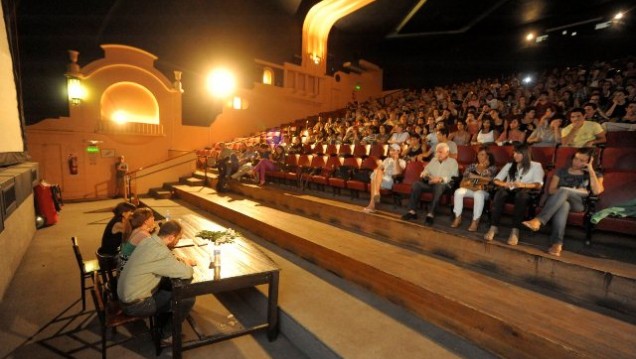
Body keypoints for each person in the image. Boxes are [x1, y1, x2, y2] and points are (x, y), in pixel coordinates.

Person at [117, 220, 196, 339]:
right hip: (136, 306)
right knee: (187, 298)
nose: (178, 241)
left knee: (168, 285)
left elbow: (163, 261)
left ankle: (162, 321)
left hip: (124, 297)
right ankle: (167, 335)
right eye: (178, 238)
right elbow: (187, 273)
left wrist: (177, 261)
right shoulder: (160, 252)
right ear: (170, 237)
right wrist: (187, 263)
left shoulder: (148, 241)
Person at [522, 148, 603, 256]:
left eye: (582, 160)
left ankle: (539, 220)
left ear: (589, 162)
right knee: (564, 204)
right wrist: (568, 192)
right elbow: (551, 190)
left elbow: (597, 191)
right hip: (559, 201)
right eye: (576, 158)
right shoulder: (561, 171)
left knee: (564, 190)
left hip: (578, 204)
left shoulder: (596, 174)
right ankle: (557, 244)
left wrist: (591, 171)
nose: (576, 162)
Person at [484, 144, 544, 245]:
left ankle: (515, 231)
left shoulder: (536, 166)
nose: (515, 155)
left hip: (525, 192)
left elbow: (538, 184)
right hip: (510, 190)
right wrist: (505, 184)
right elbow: (496, 180)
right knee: (500, 193)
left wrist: (523, 185)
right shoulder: (510, 165)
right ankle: (493, 227)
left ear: (526, 154)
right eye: (514, 152)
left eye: (518, 153)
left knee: (521, 196)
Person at [401, 142, 459, 224]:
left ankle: (431, 214)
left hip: (444, 185)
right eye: (437, 152)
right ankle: (412, 211)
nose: (438, 154)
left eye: (441, 152)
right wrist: (427, 176)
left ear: (447, 153)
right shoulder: (433, 160)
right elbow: (425, 172)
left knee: (439, 186)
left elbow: (454, 177)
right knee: (416, 184)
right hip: (430, 183)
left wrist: (440, 179)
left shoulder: (453, 162)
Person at [451, 147, 497, 231]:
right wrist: (480, 177)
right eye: (479, 154)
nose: (479, 156)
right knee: (458, 192)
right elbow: (466, 175)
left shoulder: (492, 167)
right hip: (470, 188)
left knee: (478, 194)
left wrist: (475, 175)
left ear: (488, 156)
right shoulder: (472, 165)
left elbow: (490, 179)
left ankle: (475, 221)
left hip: (483, 190)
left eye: (482, 154)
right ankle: (458, 217)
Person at [363, 144, 406, 213]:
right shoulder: (387, 160)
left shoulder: (402, 161)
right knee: (377, 172)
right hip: (381, 179)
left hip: (389, 180)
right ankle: (373, 202)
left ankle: (373, 202)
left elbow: (398, 172)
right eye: (391, 150)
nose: (391, 152)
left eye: (393, 150)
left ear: (398, 151)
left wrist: (396, 160)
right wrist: (379, 164)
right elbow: (377, 169)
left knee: (374, 179)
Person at [118, 207, 156, 272]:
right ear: (146, 221)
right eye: (152, 217)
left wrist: (148, 230)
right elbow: (155, 252)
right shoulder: (144, 235)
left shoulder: (135, 229)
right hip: (128, 274)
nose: (154, 218)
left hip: (122, 268)